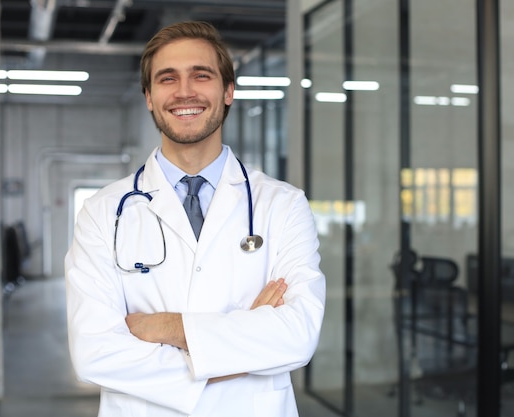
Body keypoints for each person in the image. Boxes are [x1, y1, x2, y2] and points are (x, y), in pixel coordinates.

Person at [64, 21, 326, 417]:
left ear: (228, 91)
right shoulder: (103, 212)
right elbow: (93, 353)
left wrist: (165, 328)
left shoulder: (283, 205)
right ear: (149, 97)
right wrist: (241, 344)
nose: (184, 92)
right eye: (167, 79)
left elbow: (298, 335)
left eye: (200, 76)